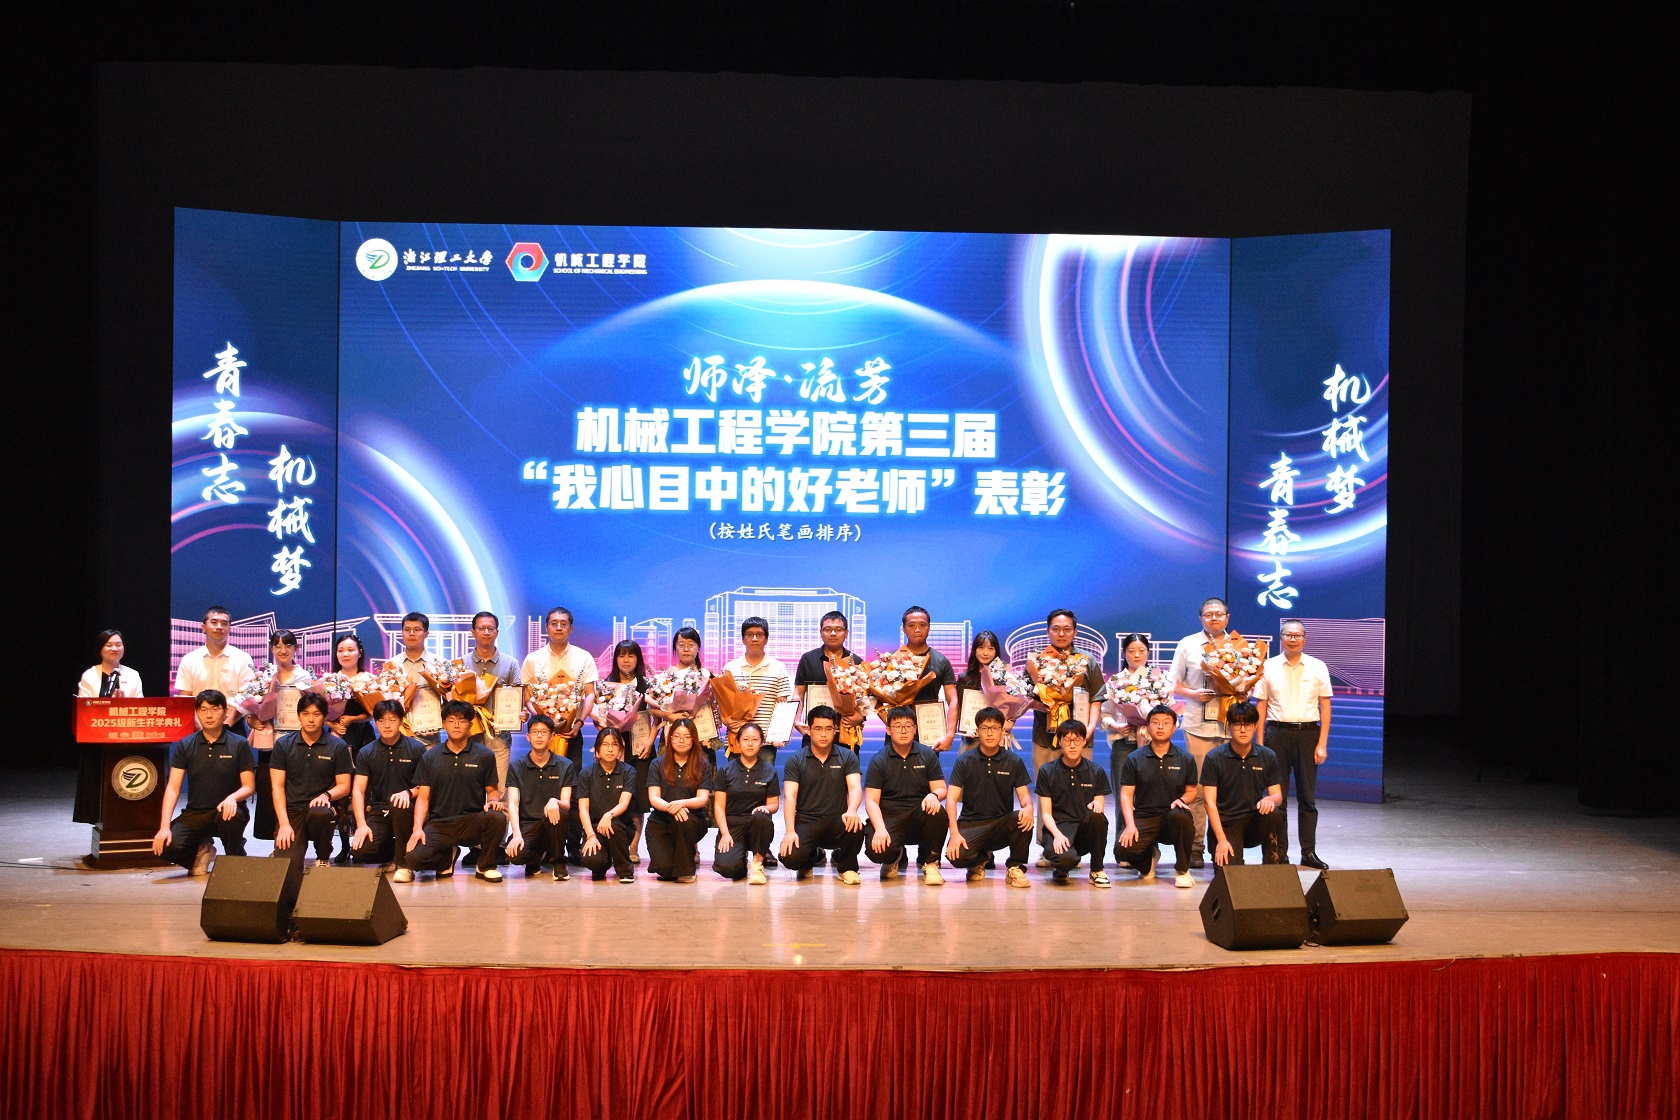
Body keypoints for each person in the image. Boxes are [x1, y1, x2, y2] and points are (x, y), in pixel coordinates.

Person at [1255, 619, 1334, 870]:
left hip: (1308, 734)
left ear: (1304, 639)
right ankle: (1280, 853)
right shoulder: (1267, 666)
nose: (1293, 639)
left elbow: (1325, 706)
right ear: (1281, 638)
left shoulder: (1317, 666)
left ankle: (1308, 852)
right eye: (1288, 635)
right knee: (1278, 797)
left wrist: (1322, 744)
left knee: (1307, 798)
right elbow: (1261, 706)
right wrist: (1260, 744)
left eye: (1298, 635)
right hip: (1276, 734)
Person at [150, 690, 256, 875]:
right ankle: (202, 850)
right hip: (195, 813)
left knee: (231, 818)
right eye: (203, 710)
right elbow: (173, 788)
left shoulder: (239, 744)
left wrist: (232, 798)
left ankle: (235, 855)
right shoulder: (186, 744)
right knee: (166, 846)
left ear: (225, 712)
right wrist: (164, 827)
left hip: (227, 811)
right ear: (197, 712)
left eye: (215, 709)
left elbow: (249, 786)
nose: (209, 715)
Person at [405, 700, 507, 882]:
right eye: (451, 720)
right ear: (444, 724)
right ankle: (447, 857)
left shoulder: (485, 755)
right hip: (440, 823)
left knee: (497, 817)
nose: (456, 725)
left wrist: (493, 801)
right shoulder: (430, 757)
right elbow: (423, 798)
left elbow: (492, 791)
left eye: (462, 720)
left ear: (470, 725)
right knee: (414, 859)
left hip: (471, 821)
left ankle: (486, 866)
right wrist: (417, 828)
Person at [1168, 598, 1233, 868]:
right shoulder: (1188, 644)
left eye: (1219, 614)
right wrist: (1194, 694)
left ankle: (1224, 845)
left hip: (1230, 726)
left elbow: (1248, 686)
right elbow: (1174, 684)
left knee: (1226, 791)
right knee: (1197, 789)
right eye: (1208, 614)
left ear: (1227, 617)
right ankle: (1196, 848)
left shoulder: (1239, 646)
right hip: (1197, 725)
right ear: (1201, 618)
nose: (1214, 618)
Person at [944, 707, 1034, 887]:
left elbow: (1024, 798)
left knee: (1024, 816)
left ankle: (1015, 867)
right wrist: (954, 834)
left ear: (1002, 731)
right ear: (978, 732)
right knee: (956, 856)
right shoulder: (965, 760)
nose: (990, 733)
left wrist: (1029, 807)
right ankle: (979, 860)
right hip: (972, 823)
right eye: (985, 728)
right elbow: (951, 800)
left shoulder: (1013, 761)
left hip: (1000, 824)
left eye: (994, 728)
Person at [778, 705, 865, 883]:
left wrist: (852, 810)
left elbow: (855, 788)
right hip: (806, 821)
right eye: (818, 729)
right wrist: (790, 831)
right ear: (809, 730)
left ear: (835, 730)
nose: (823, 734)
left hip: (838, 820)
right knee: (790, 857)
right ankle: (809, 858)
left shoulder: (847, 756)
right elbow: (790, 797)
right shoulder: (796, 759)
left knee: (856, 826)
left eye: (828, 729)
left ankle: (847, 867)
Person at [1115, 705, 1199, 888]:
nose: (1160, 726)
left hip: (1172, 816)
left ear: (1174, 727)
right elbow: (1126, 795)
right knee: (1122, 851)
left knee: (1181, 816)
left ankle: (1182, 870)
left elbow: (1192, 790)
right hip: (1145, 816)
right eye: (1155, 722)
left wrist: (1182, 800)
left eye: (1166, 723)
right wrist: (1130, 825)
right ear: (1147, 726)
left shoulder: (1185, 758)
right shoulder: (1134, 758)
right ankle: (1149, 859)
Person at [863, 706, 948, 884]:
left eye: (908, 726)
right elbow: (871, 801)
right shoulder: (879, 760)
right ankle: (892, 858)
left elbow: (941, 788)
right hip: (890, 817)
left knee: (939, 813)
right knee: (877, 851)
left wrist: (933, 795)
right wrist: (880, 828)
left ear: (915, 729)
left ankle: (931, 863)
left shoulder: (927, 754)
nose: (903, 730)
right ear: (888, 730)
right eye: (897, 726)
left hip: (918, 815)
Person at [246, 629, 316, 845]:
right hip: (270, 744)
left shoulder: (305, 677)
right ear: (271, 649)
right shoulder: (264, 678)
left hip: (298, 744)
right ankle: (277, 841)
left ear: (296, 649)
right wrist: (252, 720)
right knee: (269, 792)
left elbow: (316, 709)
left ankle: (296, 840)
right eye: (277, 646)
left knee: (295, 794)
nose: (283, 650)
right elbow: (250, 711)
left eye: (288, 645)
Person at [268, 692, 351, 867]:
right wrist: (283, 823)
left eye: (316, 714)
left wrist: (326, 795)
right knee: (287, 866)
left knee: (320, 813)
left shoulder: (338, 746)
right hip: (292, 811)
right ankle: (283, 850)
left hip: (321, 808)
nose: (311, 719)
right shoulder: (283, 745)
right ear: (299, 716)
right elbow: (277, 786)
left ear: (325, 717)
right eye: (305, 714)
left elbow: (344, 786)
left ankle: (323, 856)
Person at [1201, 702, 1286, 867]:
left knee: (1274, 814)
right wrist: (1221, 840)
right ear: (1229, 727)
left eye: (1248, 725)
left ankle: (1272, 867)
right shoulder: (1214, 757)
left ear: (1255, 727)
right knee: (1231, 874)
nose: (1243, 730)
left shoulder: (1267, 756)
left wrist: (1270, 799)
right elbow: (1209, 802)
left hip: (1254, 821)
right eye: (1237, 725)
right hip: (1226, 824)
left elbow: (1278, 795)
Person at [349, 700, 426, 878]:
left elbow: (426, 786)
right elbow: (358, 790)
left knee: (398, 805)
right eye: (381, 721)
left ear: (401, 721)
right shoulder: (367, 752)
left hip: (409, 810)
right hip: (380, 811)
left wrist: (408, 793)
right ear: (376, 723)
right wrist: (361, 825)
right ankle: (393, 854)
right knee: (360, 851)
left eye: (392, 720)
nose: (387, 725)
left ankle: (404, 865)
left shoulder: (416, 748)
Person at [75, 629, 144, 824]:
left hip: (126, 739)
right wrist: (107, 703)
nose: (114, 648)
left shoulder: (133, 675)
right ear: (100, 649)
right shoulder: (90, 675)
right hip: (96, 740)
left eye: (118, 644)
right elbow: (85, 707)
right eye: (109, 645)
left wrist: (124, 704)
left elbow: (141, 706)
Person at [1029, 609, 1105, 780]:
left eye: (1067, 629)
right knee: (1046, 790)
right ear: (1048, 631)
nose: (1061, 634)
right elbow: (1026, 698)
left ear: (1075, 632)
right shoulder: (1037, 661)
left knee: (1081, 790)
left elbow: (1096, 697)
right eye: (1056, 629)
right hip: (1045, 739)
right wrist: (1046, 705)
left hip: (1080, 737)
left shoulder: (1087, 660)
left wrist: (1090, 727)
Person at [1035, 718, 1112, 887]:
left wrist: (1095, 806)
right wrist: (1057, 835)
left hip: (1083, 830)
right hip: (1058, 828)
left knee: (1098, 818)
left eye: (1077, 740)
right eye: (1067, 740)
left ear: (1084, 741)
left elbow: (1099, 805)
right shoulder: (1047, 771)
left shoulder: (1096, 771)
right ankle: (1061, 868)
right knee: (1065, 860)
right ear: (1060, 742)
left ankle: (1097, 869)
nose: (1072, 745)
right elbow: (1046, 814)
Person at [595, 639, 652, 864]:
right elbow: (598, 717)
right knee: (612, 797)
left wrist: (650, 741)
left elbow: (659, 716)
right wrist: (608, 732)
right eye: (621, 655)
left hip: (641, 747)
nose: (626, 660)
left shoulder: (646, 685)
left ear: (638, 659)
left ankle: (633, 848)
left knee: (637, 802)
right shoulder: (607, 685)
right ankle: (612, 845)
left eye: (631, 655)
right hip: (614, 747)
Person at [505, 714, 578, 881]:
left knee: (559, 812)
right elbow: (513, 803)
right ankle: (536, 857)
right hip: (528, 825)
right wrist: (516, 834)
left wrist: (555, 801)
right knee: (514, 855)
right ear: (528, 737)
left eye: (544, 732)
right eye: (535, 732)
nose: (539, 736)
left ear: (552, 737)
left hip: (553, 823)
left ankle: (559, 861)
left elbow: (566, 804)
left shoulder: (565, 765)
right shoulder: (516, 766)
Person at [520, 607, 598, 759]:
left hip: (572, 731)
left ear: (571, 628)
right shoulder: (533, 659)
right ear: (546, 627)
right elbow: (527, 697)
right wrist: (542, 718)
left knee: (572, 771)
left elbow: (590, 694)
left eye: (563, 624)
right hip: (541, 733)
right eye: (554, 623)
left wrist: (579, 723)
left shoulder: (584, 657)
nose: (558, 628)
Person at [710, 721, 780, 884]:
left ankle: (757, 864)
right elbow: (718, 806)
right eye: (746, 739)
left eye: (755, 740)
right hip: (732, 826)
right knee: (728, 868)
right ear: (738, 742)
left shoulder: (769, 770)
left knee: (761, 817)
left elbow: (774, 804)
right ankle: (739, 862)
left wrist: (765, 808)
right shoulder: (726, 770)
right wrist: (725, 833)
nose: (750, 744)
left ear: (761, 743)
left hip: (757, 824)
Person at [645, 717, 713, 883]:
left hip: (692, 820)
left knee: (682, 819)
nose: (681, 740)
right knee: (665, 870)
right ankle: (672, 859)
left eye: (687, 736)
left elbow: (702, 799)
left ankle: (686, 870)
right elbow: (653, 798)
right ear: (670, 738)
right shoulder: (657, 763)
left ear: (693, 739)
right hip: (661, 820)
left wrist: (681, 804)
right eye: (677, 736)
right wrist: (672, 808)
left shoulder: (703, 764)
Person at [792, 610, 867, 755]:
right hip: (814, 730)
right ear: (821, 632)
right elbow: (799, 692)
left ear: (846, 633)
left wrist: (861, 716)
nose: (833, 633)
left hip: (846, 730)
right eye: (827, 629)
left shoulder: (856, 662)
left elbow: (865, 698)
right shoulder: (808, 659)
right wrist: (796, 719)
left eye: (838, 629)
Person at [465, 611, 523, 794]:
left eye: (490, 628)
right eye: (481, 628)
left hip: (499, 736)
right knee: (470, 790)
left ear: (497, 632)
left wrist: (521, 714)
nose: (486, 632)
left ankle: (500, 814)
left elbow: (518, 698)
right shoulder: (460, 664)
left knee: (499, 791)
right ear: (473, 632)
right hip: (469, 737)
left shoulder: (510, 663)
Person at [721, 616, 793, 761]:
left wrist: (781, 734)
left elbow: (782, 705)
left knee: (764, 776)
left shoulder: (779, 668)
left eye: (759, 634)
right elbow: (723, 704)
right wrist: (726, 721)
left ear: (766, 639)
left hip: (766, 741)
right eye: (749, 634)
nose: (754, 638)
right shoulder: (730, 668)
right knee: (734, 776)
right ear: (743, 639)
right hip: (737, 738)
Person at [646, 627, 722, 763]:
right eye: (681, 645)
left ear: (698, 648)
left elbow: (716, 707)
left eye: (691, 645)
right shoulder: (665, 678)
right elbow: (652, 709)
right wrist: (669, 716)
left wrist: (713, 732)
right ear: (675, 648)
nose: (686, 649)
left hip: (702, 736)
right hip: (673, 736)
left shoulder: (708, 677)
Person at [578, 728, 637, 883]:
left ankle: (625, 870)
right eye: (605, 744)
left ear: (620, 748)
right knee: (592, 860)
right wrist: (590, 835)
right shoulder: (586, 773)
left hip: (622, 828)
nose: (610, 749)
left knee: (614, 826)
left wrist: (608, 815)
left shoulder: (628, 771)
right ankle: (601, 865)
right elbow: (583, 808)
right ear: (597, 749)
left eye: (614, 744)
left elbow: (624, 803)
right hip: (595, 828)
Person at [898, 606, 958, 752]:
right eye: (912, 625)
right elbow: (879, 702)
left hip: (931, 732)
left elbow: (953, 700)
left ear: (929, 627)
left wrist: (950, 734)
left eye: (922, 625)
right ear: (904, 628)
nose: (917, 629)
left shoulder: (941, 661)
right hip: (899, 733)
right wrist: (891, 723)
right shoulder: (893, 660)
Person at [1100, 633, 1156, 782]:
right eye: (1131, 651)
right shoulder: (1114, 681)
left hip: (1153, 743)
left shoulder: (1158, 680)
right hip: (1123, 742)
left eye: (1141, 650)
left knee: (1150, 791)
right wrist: (1116, 726)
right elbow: (1104, 713)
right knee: (1122, 789)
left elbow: (1169, 712)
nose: (1137, 655)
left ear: (1148, 652)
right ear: (1124, 653)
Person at [173, 605, 255, 700]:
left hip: (233, 710)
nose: (219, 627)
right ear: (203, 627)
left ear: (229, 628)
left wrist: (231, 711)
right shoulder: (189, 660)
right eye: (214, 622)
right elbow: (185, 697)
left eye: (224, 623)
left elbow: (248, 697)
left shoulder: (243, 658)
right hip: (199, 710)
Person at [954, 630, 1015, 753]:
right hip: (971, 740)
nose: (985, 653)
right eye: (981, 647)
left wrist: (1009, 723)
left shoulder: (1005, 678)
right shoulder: (964, 678)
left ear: (996, 651)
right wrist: (964, 727)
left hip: (997, 740)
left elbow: (1013, 709)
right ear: (974, 650)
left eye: (990, 648)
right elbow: (958, 708)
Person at [394, 613, 442, 746]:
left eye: (417, 629)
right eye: (407, 630)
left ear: (426, 634)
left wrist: (438, 721)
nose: (411, 634)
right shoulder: (392, 665)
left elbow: (450, 699)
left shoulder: (439, 664)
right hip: (399, 738)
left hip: (430, 736)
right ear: (402, 633)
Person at [325, 632, 374, 753]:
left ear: (360, 653)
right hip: (335, 735)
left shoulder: (370, 680)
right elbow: (319, 712)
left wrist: (353, 719)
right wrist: (333, 725)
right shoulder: (329, 681)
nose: (345, 654)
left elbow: (374, 713)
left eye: (350, 650)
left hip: (363, 737)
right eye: (340, 650)